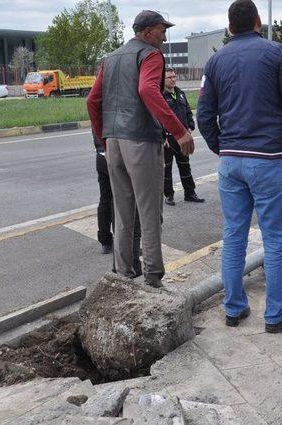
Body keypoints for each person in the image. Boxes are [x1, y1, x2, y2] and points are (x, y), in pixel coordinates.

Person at [197, 0, 282, 334]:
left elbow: (204, 115)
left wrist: (223, 149)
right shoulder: (276, 54)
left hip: (230, 163)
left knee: (234, 237)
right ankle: (276, 316)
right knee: (275, 240)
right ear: (258, 22)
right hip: (269, 161)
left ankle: (234, 309)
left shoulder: (214, 61)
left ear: (229, 27)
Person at [87, 10, 195, 288]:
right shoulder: (151, 55)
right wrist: (179, 130)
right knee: (150, 212)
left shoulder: (110, 58)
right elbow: (148, 90)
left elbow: (92, 101)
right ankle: (153, 276)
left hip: (114, 144)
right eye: (161, 29)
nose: (165, 35)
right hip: (141, 142)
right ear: (147, 32)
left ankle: (123, 274)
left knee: (123, 212)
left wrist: (104, 139)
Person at [93, 131, 142, 277]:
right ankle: (128, 262)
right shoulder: (113, 109)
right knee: (127, 210)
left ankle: (106, 241)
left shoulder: (98, 109)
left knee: (106, 200)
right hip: (117, 154)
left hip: (102, 154)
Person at [163, 68, 205, 206]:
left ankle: (190, 193)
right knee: (166, 169)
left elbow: (187, 111)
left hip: (182, 137)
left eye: (174, 76)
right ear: (163, 79)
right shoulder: (160, 95)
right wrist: (162, 137)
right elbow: (157, 118)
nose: (173, 79)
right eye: (170, 77)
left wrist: (190, 127)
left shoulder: (180, 93)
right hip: (168, 139)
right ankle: (168, 195)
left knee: (185, 166)